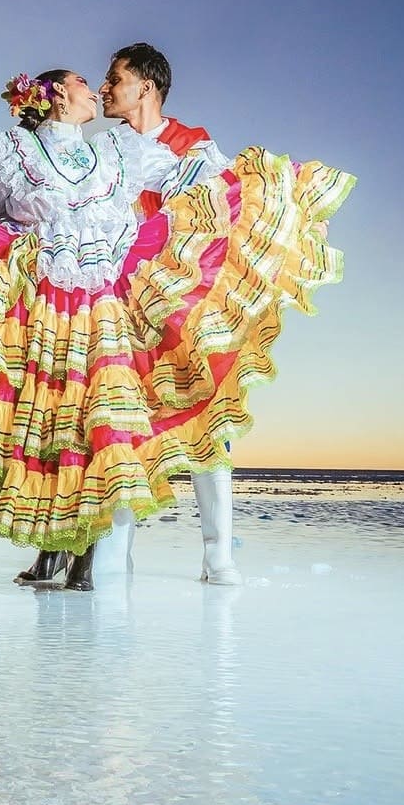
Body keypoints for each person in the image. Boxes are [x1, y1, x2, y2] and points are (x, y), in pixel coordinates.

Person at [0, 66, 354, 591]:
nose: (96, 90)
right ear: (58, 93)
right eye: (86, 82)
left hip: (106, 300)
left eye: (105, 80)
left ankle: (94, 551)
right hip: (44, 300)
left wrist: (273, 195)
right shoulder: (9, 151)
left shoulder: (114, 151)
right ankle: (58, 545)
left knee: (95, 419)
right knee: (47, 420)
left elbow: (194, 175)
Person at [98, 42, 242, 585]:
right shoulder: (104, 149)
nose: (105, 88)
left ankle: (218, 555)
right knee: (120, 421)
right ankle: (116, 555)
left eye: (114, 78)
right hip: (119, 300)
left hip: (182, 299)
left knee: (206, 412)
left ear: (146, 86)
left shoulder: (192, 145)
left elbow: (221, 212)